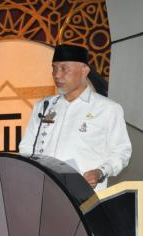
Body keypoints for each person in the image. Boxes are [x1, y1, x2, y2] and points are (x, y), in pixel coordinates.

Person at [19, 44, 132, 191]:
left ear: (84, 70)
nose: (57, 75)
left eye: (64, 68)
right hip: (44, 191)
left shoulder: (107, 108)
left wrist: (100, 172)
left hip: (84, 195)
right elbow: (26, 148)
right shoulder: (43, 106)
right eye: (54, 68)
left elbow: (121, 152)